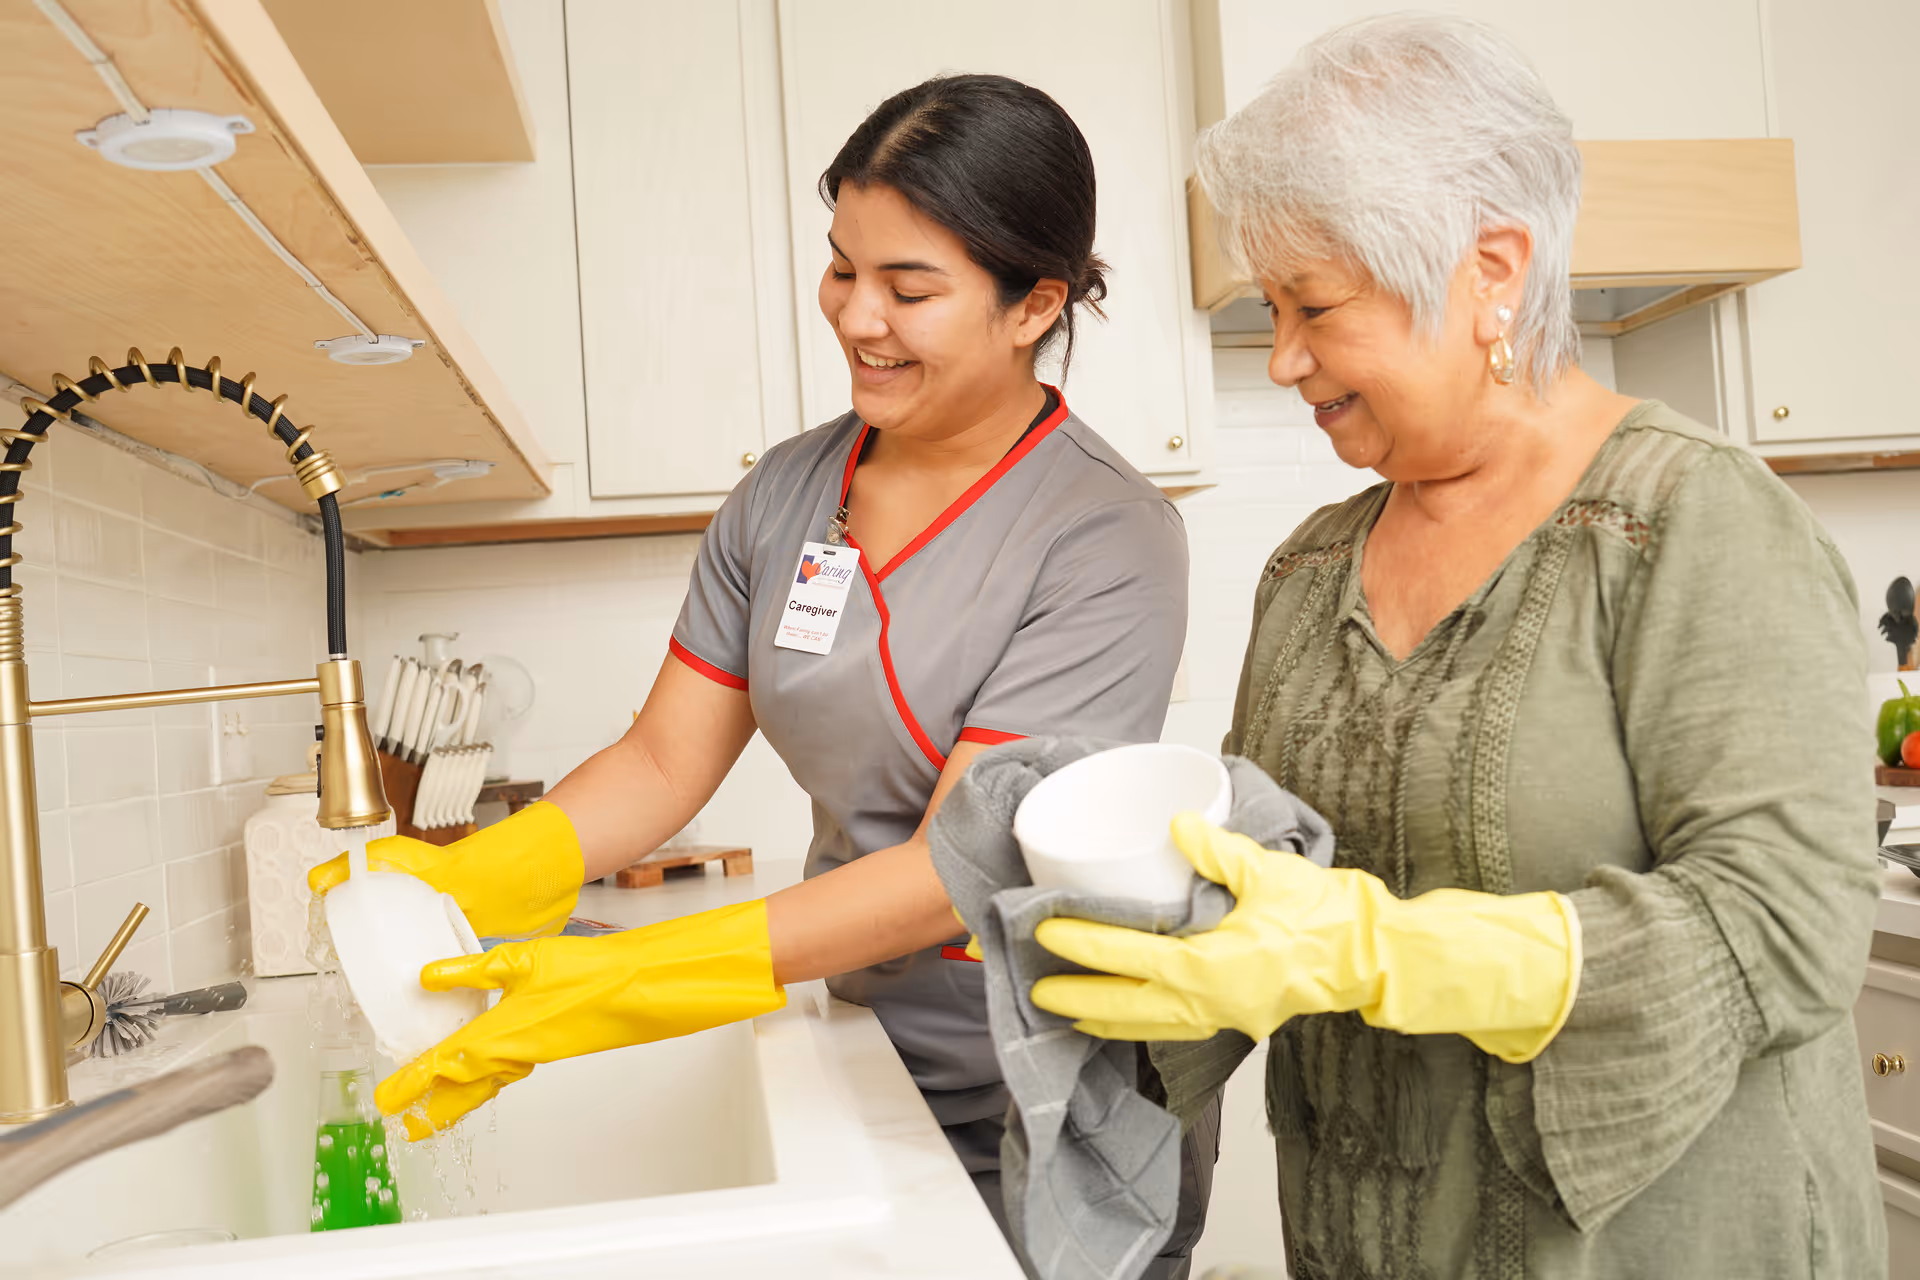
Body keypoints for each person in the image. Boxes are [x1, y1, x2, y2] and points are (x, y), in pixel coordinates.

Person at [1030, 14, 1885, 1278]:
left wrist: (1365, 950)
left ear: (1491, 268)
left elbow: (1783, 928)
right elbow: (1251, 885)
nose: (1283, 358)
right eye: (1272, 306)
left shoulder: (1691, 524)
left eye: (1315, 303)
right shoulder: (1311, 569)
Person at [313, 74, 1214, 1273]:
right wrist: (464, 883)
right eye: (843, 266)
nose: (857, 317)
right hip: (867, 1054)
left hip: (1046, 1093)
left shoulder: (1106, 537)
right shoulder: (786, 494)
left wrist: (634, 974)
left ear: (1032, 303)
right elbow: (660, 758)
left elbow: (957, 870)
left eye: (911, 287)